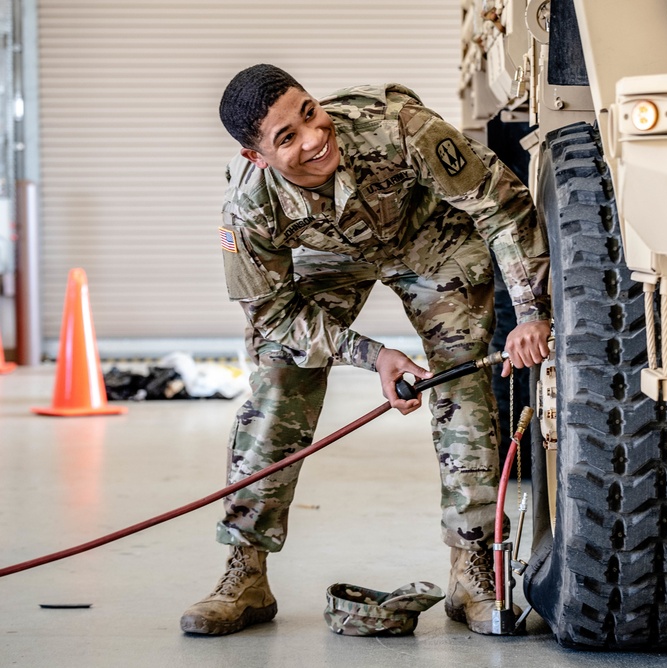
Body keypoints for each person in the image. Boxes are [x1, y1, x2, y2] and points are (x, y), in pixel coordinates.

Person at [179, 64, 550, 637]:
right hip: (326, 259)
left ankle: (471, 568)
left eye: (309, 112)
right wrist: (373, 355)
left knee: (461, 381)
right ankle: (245, 572)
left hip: (430, 241)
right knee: (279, 380)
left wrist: (529, 313)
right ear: (258, 158)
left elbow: (498, 202)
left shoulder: (396, 125)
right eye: (287, 138)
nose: (313, 137)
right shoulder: (248, 208)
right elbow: (274, 314)